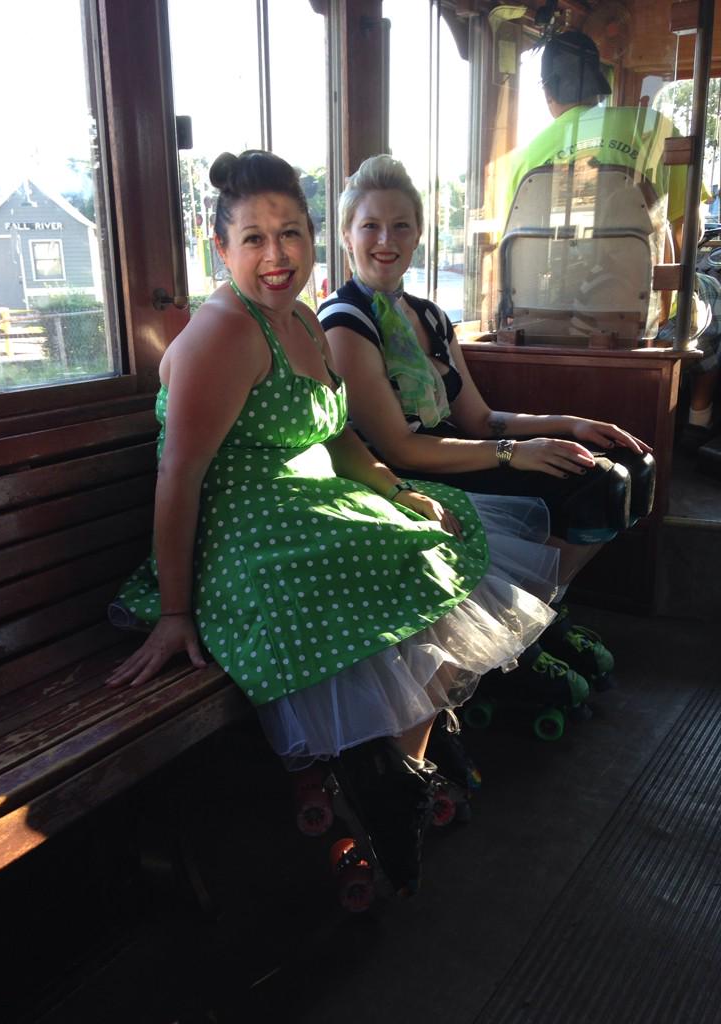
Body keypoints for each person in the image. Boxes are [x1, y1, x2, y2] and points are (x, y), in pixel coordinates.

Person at [106, 149, 560, 896]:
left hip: (307, 508)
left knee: (432, 543)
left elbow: (336, 433)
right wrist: (177, 611)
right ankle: (382, 774)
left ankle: (394, 769)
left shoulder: (305, 322)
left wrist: (394, 491)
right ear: (220, 251)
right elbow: (178, 477)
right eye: (252, 238)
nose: (275, 254)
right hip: (242, 532)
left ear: (315, 238)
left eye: (289, 233)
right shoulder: (225, 333)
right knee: (393, 572)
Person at [318, 152, 654, 687]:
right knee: (594, 489)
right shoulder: (344, 322)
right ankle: (516, 640)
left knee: (629, 468)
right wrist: (515, 455)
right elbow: (400, 448)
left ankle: (530, 620)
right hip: (397, 474)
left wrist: (567, 425)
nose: (387, 239)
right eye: (371, 226)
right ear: (346, 235)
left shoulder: (429, 315)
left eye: (401, 225)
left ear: (418, 234)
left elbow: (477, 417)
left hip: (454, 451)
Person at [506, 30, 718, 446]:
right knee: (715, 294)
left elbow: (517, 254)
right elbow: (687, 232)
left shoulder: (527, 156)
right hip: (646, 321)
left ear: (547, 90)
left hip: (550, 320)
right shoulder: (655, 127)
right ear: (601, 83)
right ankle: (696, 426)